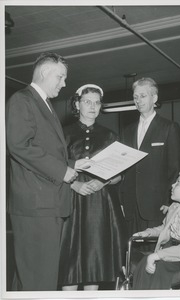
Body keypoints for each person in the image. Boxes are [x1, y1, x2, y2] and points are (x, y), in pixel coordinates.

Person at [6, 52, 91, 291]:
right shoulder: (23, 100)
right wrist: (62, 171)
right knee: (39, 280)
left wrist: (73, 165)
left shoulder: (42, 103)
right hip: (36, 205)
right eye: (60, 76)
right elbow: (19, 145)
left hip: (45, 203)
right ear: (44, 72)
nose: (64, 83)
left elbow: (43, 149)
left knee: (34, 277)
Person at [58, 84, 127, 291]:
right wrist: (75, 185)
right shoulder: (63, 133)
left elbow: (120, 174)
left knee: (94, 261)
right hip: (72, 202)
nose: (93, 106)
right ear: (77, 104)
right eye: (88, 102)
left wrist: (104, 181)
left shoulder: (110, 135)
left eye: (97, 103)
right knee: (69, 262)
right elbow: (54, 168)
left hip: (100, 205)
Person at [121, 77, 180, 238]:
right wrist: (122, 200)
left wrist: (170, 201)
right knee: (131, 252)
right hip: (130, 205)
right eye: (135, 97)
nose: (138, 100)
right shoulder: (127, 131)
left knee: (153, 252)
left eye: (143, 96)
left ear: (154, 98)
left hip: (157, 204)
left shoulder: (169, 128)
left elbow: (176, 167)